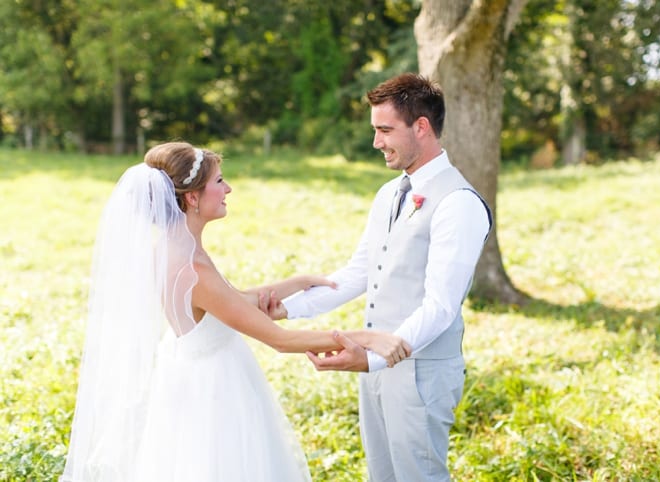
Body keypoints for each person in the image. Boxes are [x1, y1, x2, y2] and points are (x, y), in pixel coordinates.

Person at [60, 141, 411, 482]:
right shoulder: (192, 270)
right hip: (214, 392)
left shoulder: (173, 249)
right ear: (192, 198)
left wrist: (297, 282)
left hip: (192, 375)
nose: (228, 188)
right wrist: (367, 338)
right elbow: (280, 340)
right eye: (218, 181)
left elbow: (230, 301)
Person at [270, 73, 492, 482]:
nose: (376, 142)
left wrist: (373, 358)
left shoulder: (459, 204)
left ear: (421, 127)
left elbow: (441, 306)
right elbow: (359, 273)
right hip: (376, 368)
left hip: (420, 371)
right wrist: (285, 309)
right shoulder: (389, 194)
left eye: (385, 130)